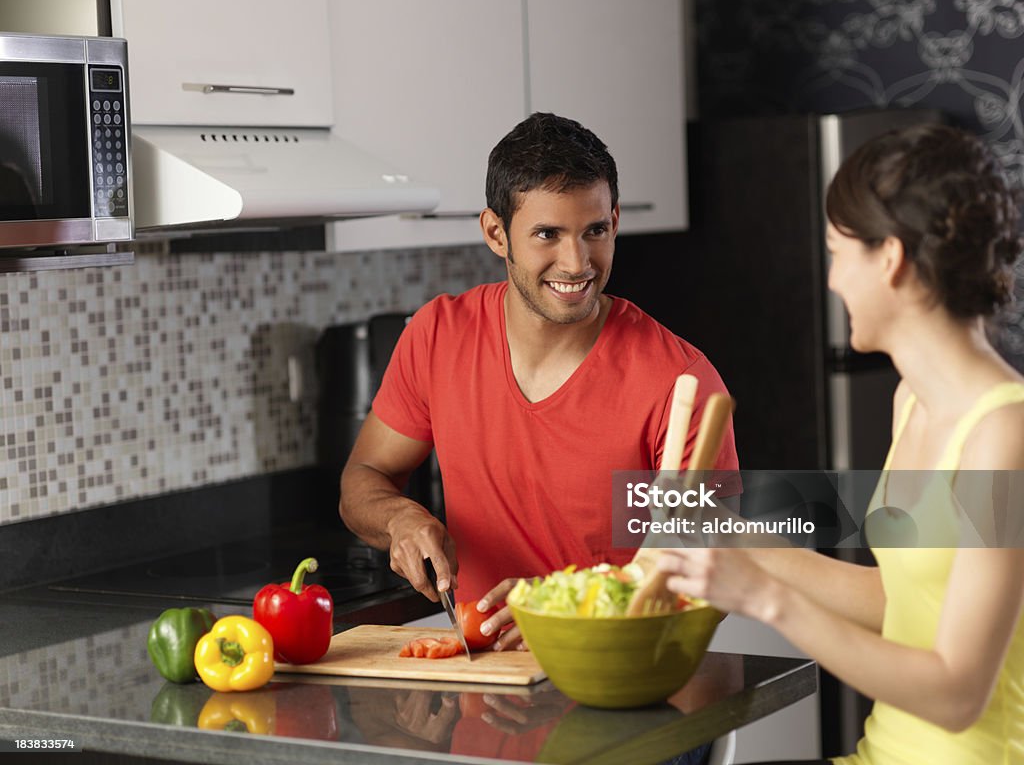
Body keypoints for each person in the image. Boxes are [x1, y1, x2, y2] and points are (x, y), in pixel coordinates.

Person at [658, 123, 1024, 764]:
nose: (830, 281)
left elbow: (959, 693)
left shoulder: (1005, 433)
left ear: (889, 257)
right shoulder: (911, 400)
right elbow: (899, 601)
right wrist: (734, 538)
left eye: (836, 252)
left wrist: (763, 597)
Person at [340, 112, 739, 650]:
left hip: (623, 695)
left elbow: (712, 581)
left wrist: (565, 613)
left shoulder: (680, 383)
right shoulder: (438, 335)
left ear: (615, 222)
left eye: (594, 231)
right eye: (548, 234)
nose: (577, 263)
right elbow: (364, 477)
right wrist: (401, 520)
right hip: (485, 689)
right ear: (495, 233)